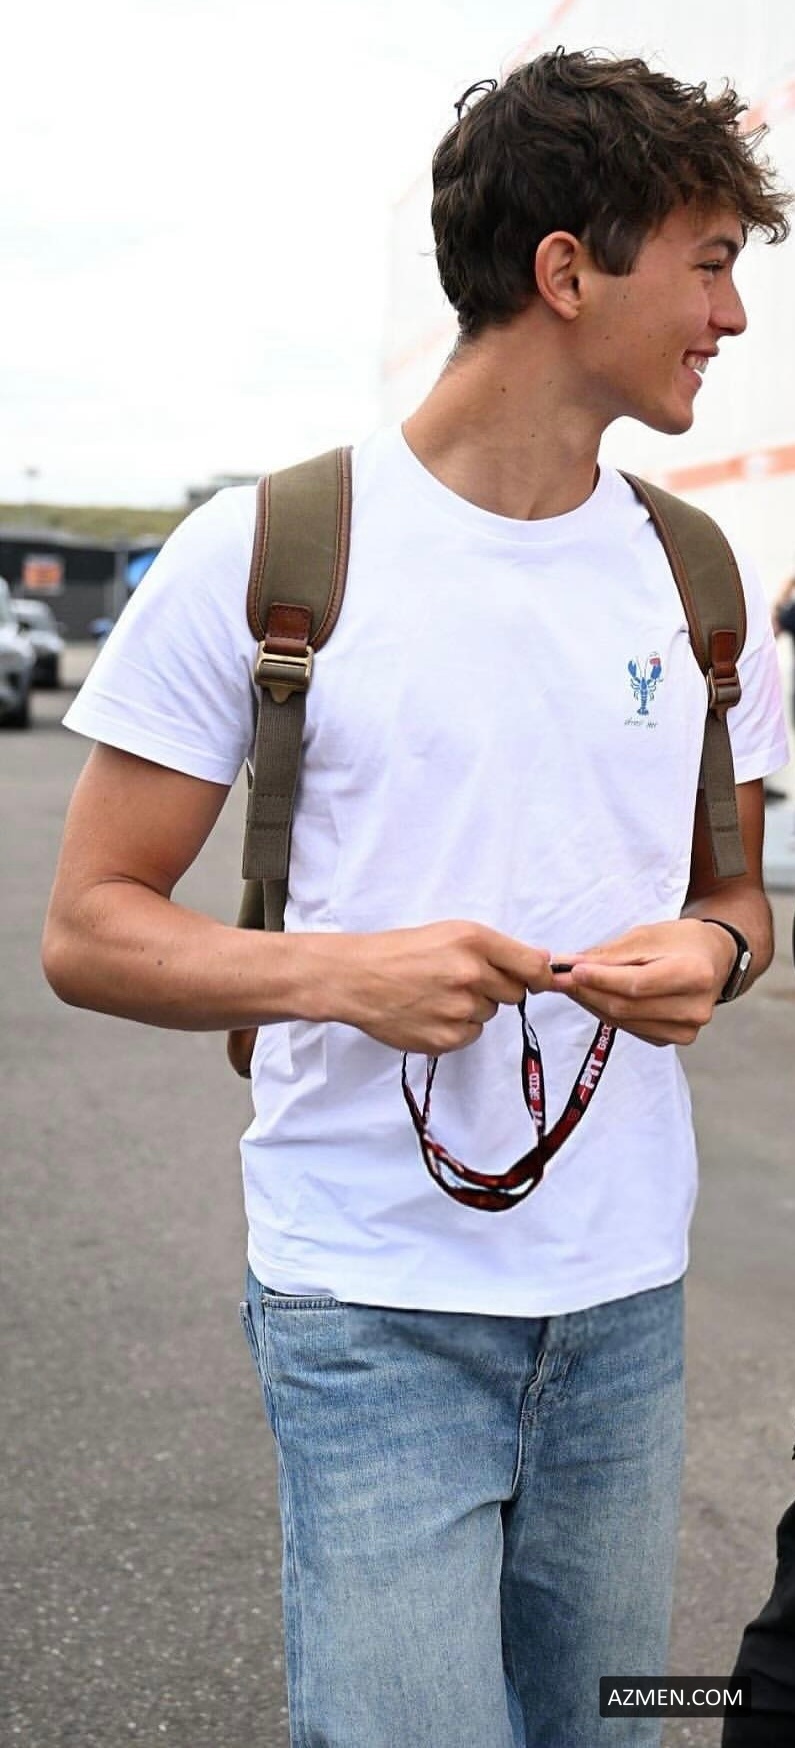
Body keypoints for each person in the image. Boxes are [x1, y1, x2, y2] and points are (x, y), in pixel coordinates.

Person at [42, 49, 790, 1748]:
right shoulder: (270, 553)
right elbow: (88, 926)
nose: (732, 315)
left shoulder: (697, 577)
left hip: (626, 1305)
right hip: (369, 1306)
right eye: (708, 263)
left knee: (612, 1724)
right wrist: (338, 975)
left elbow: (744, 897)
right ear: (567, 271)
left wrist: (714, 951)